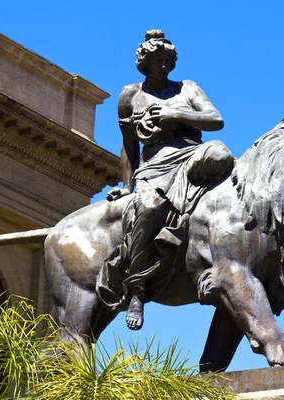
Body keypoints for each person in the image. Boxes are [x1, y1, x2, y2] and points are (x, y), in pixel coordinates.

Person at [99, 29, 234, 330]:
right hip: (156, 165)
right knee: (148, 207)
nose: (163, 65)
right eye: (157, 60)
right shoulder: (129, 96)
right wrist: (126, 187)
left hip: (193, 155)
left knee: (222, 154)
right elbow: (129, 145)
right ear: (144, 63)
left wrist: (176, 113)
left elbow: (216, 120)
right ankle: (137, 287)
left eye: (167, 60)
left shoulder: (187, 89)